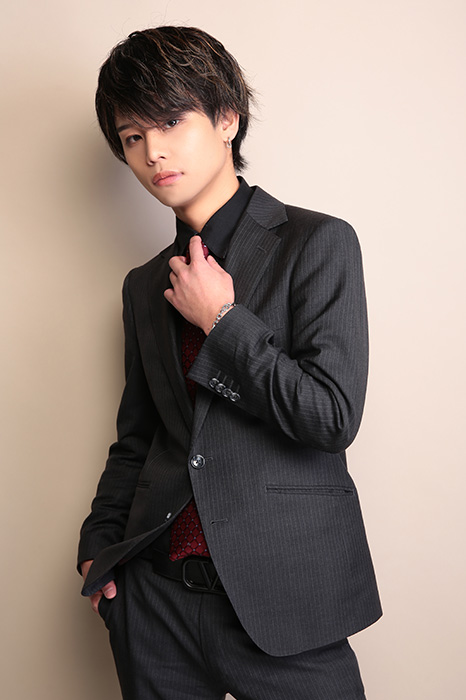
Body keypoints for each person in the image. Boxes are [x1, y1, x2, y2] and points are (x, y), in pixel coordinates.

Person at [78, 25, 382, 700]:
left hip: (284, 607)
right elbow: (139, 438)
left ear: (227, 118)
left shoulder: (318, 243)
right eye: (132, 136)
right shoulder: (144, 284)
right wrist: (98, 550)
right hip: (155, 605)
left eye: (170, 122)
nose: (153, 152)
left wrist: (222, 321)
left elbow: (332, 417)